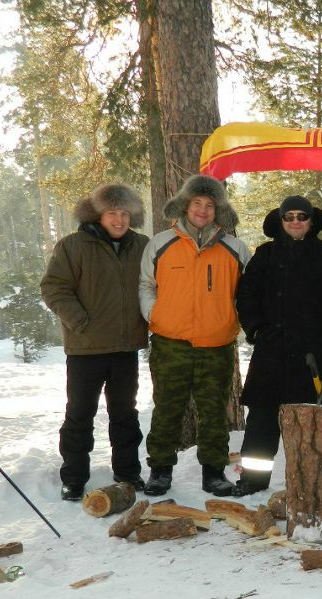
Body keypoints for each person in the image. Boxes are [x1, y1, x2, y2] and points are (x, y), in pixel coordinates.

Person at [138, 175, 250, 497]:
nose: (203, 210)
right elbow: (146, 284)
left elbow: (248, 294)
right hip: (169, 342)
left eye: (210, 205)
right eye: (197, 203)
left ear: (218, 210)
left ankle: (214, 472)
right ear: (186, 206)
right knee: (167, 408)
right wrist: (154, 314)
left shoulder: (235, 248)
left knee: (214, 410)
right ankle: (160, 470)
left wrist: (233, 321)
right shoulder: (161, 243)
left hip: (216, 345)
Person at [41, 184, 149, 501]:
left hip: (125, 347)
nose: (119, 220)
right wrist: (81, 323)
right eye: (112, 213)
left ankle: (128, 473)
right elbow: (54, 288)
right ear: (98, 215)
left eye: (125, 213)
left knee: (125, 415)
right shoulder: (73, 246)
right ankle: (74, 479)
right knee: (79, 415)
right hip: (85, 348)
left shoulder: (142, 246)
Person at [232, 195, 322, 497]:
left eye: (302, 216)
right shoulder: (265, 255)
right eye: (289, 216)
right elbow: (246, 295)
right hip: (271, 350)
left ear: (311, 220)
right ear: (280, 220)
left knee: (313, 419)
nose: (296, 221)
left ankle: (315, 482)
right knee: (262, 419)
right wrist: (256, 328)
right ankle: (253, 481)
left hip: (312, 353)